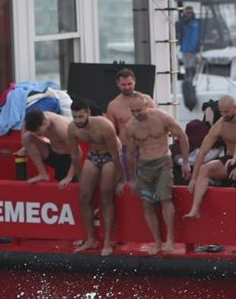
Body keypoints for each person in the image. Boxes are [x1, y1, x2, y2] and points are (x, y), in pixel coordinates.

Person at [123, 104, 189, 254]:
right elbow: (130, 154)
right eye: (133, 110)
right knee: (147, 204)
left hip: (163, 162)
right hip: (144, 166)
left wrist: (185, 162)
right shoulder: (131, 126)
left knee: (165, 199)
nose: (136, 113)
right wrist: (132, 178)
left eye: (138, 109)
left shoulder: (162, 117)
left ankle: (170, 240)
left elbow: (182, 135)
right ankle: (157, 242)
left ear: (146, 106)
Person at [65, 99, 124, 253]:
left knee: (106, 196)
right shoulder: (72, 128)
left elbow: (116, 154)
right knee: (83, 197)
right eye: (75, 117)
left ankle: (107, 242)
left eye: (81, 117)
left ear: (88, 114)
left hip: (110, 157)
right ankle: (91, 239)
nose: (78, 121)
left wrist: (121, 178)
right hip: (93, 156)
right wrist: (79, 177)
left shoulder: (104, 126)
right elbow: (74, 155)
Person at [183, 95, 236, 220]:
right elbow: (202, 152)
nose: (224, 115)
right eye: (221, 112)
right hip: (230, 160)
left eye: (227, 111)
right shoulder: (219, 125)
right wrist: (193, 178)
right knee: (204, 169)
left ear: (235, 107)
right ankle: (194, 210)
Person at [21, 109, 76, 183]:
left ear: (44, 123)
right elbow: (25, 125)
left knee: (66, 183)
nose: (37, 134)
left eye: (38, 131)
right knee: (27, 137)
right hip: (51, 151)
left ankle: (70, 176)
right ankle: (43, 174)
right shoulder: (38, 119)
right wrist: (25, 147)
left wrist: (69, 177)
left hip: (66, 158)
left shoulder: (62, 128)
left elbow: (78, 153)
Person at [104, 67, 156, 140]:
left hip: (146, 145)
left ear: (134, 81)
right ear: (118, 84)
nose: (127, 87)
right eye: (123, 85)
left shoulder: (147, 99)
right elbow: (111, 132)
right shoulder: (113, 106)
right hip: (125, 146)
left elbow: (157, 121)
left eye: (129, 84)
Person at [178, 6, 202, 110]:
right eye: (185, 13)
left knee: (191, 67)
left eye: (188, 13)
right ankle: (189, 80)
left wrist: (192, 49)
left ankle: (192, 81)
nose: (186, 15)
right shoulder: (185, 23)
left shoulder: (194, 24)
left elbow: (194, 37)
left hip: (190, 50)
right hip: (185, 48)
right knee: (187, 67)